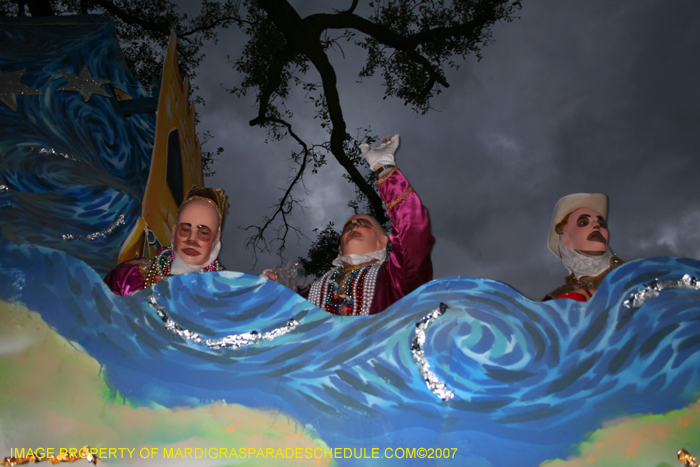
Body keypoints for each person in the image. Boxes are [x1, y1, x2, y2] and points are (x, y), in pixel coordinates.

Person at [267, 134, 434, 315]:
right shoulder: (308, 294)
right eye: (348, 228)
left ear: (383, 241)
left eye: (363, 224)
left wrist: (384, 168)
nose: (354, 227)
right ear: (340, 250)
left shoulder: (396, 278)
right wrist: (268, 287)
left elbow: (413, 229)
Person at [105, 186, 228, 295]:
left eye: (203, 233)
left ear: (216, 239)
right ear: (174, 232)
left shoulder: (230, 294)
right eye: (185, 229)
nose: (191, 239)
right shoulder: (128, 275)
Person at [543, 193, 623, 301]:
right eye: (583, 222)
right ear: (566, 240)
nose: (596, 225)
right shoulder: (555, 299)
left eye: (601, 223)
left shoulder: (636, 272)